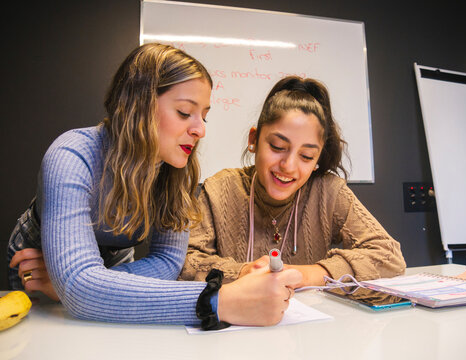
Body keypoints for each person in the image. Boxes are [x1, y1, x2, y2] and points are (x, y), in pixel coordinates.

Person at [7, 43, 301, 328]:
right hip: (36, 272)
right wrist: (217, 301)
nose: (200, 129)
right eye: (185, 113)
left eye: (204, 116)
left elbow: (168, 261)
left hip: (100, 272)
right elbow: (79, 290)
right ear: (138, 106)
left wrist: (92, 282)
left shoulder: (178, 170)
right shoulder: (71, 156)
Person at [179, 76, 406, 285]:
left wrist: (308, 274)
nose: (288, 165)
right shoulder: (220, 189)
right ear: (254, 140)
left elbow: (390, 256)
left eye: (306, 156)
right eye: (277, 147)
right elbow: (186, 263)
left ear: (317, 159)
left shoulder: (328, 191)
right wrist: (243, 272)